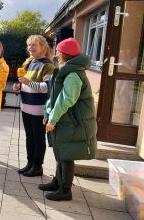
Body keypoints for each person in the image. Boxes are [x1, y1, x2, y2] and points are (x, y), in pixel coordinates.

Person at [41, 38, 97, 201]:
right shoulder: (66, 69)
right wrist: (48, 114)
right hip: (66, 119)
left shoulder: (73, 74)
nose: (56, 53)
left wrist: (53, 118)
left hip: (72, 121)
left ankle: (65, 190)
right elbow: (54, 96)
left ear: (63, 54)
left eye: (58, 51)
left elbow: (66, 99)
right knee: (61, 151)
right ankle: (57, 181)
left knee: (66, 155)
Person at [13, 35, 55, 177]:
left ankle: (38, 166)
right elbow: (26, 83)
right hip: (26, 106)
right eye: (29, 45)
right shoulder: (30, 63)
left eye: (34, 45)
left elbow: (47, 87)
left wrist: (26, 83)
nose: (30, 48)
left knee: (38, 138)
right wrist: (18, 87)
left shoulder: (48, 65)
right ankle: (30, 163)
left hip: (38, 109)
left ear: (43, 47)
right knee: (29, 137)